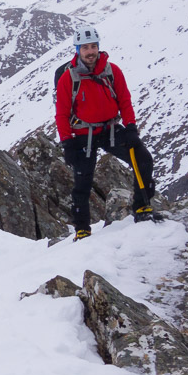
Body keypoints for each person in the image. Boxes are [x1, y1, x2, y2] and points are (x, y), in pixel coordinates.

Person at [54, 26, 157, 240]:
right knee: (82, 181)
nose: (90, 52)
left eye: (93, 46)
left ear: (98, 47)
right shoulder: (68, 79)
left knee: (143, 159)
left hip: (110, 129)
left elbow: (124, 100)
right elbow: (62, 114)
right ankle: (82, 229)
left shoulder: (112, 71)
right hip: (83, 134)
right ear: (77, 50)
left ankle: (142, 207)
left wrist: (130, 127)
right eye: (85, 48)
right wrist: (67, 143)